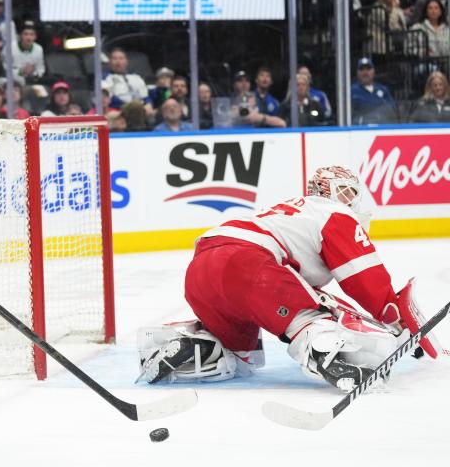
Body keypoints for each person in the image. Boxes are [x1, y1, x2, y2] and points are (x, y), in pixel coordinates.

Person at [138, 166, 434, 391]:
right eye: (350, 194)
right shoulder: (334, 213)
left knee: (242, 357)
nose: (353, 202)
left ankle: (196, 346)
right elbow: (364, 278)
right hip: (249, 266)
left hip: (201, 270)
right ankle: (327, 356)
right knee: (311, 318)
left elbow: (300, 285)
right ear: (338, 192)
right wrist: (394, 317)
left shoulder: (292, 210)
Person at [351, 56, 398, 124]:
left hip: (382, 128)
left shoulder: (383, 90)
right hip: (361, 130)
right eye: (361, 69)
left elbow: (392, 110)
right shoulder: (352, 91)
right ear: (357, 73)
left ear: (373, 71)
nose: (365, 72)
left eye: (368, 69)